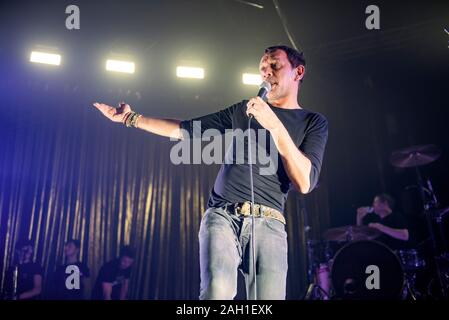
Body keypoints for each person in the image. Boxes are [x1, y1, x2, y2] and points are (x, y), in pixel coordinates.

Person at [93, 45, 328, 299]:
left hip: (269, 224)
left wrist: (275, 126)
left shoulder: (312, 122)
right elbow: (185, 130)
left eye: (275, 65)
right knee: (217, 291)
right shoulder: (244, 110)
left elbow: (305, 182)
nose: (267, 73)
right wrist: (131, 118)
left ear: (298, 72)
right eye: (262, 68)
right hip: (222, 216)